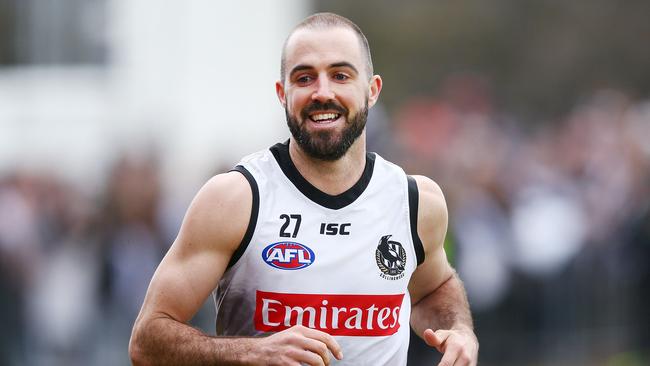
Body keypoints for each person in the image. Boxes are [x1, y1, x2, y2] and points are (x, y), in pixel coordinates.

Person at [129, 12, 478, 366]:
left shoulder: (416, 202)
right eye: (304, 78)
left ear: (371, 91)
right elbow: (147, 340)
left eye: (340, 75)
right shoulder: (238, 198)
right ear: (283, 93)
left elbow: (434, 288)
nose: (322, 93)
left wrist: (459, 329)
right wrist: (254, 352)